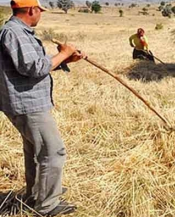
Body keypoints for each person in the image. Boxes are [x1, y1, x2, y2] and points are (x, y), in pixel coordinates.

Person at [0, 0, 85, 216]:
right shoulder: (14, 33)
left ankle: (37, 195)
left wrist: (66, 60)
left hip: (27, 102)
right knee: (53, 151)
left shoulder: (19, 32)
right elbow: (34, 67)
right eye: (40, 11)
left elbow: (32, 66)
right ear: (31, 10)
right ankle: (47, 206)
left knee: (36, 152)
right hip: (28, 104)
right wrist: (64, 53)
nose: (40, 15)